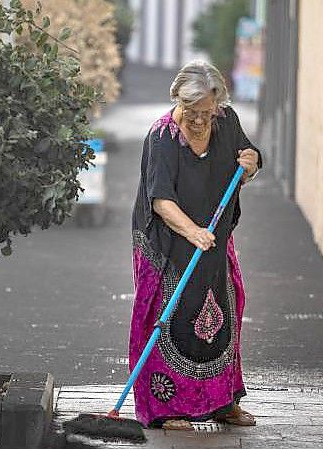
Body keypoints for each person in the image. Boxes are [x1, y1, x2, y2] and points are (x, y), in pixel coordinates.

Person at [129, 60, 262, 430]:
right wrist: (193, 231)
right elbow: (160, 200)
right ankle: (166, 407)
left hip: (214, 238)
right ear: (177, 100)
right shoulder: (162, 137)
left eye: (207, 111)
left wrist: (251, 165)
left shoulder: (227, 120)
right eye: (192, 111)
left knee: (223, 310)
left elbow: (248, 159)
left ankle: (223, 401)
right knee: (171, 316)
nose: (200, 120)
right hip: (168, 241)